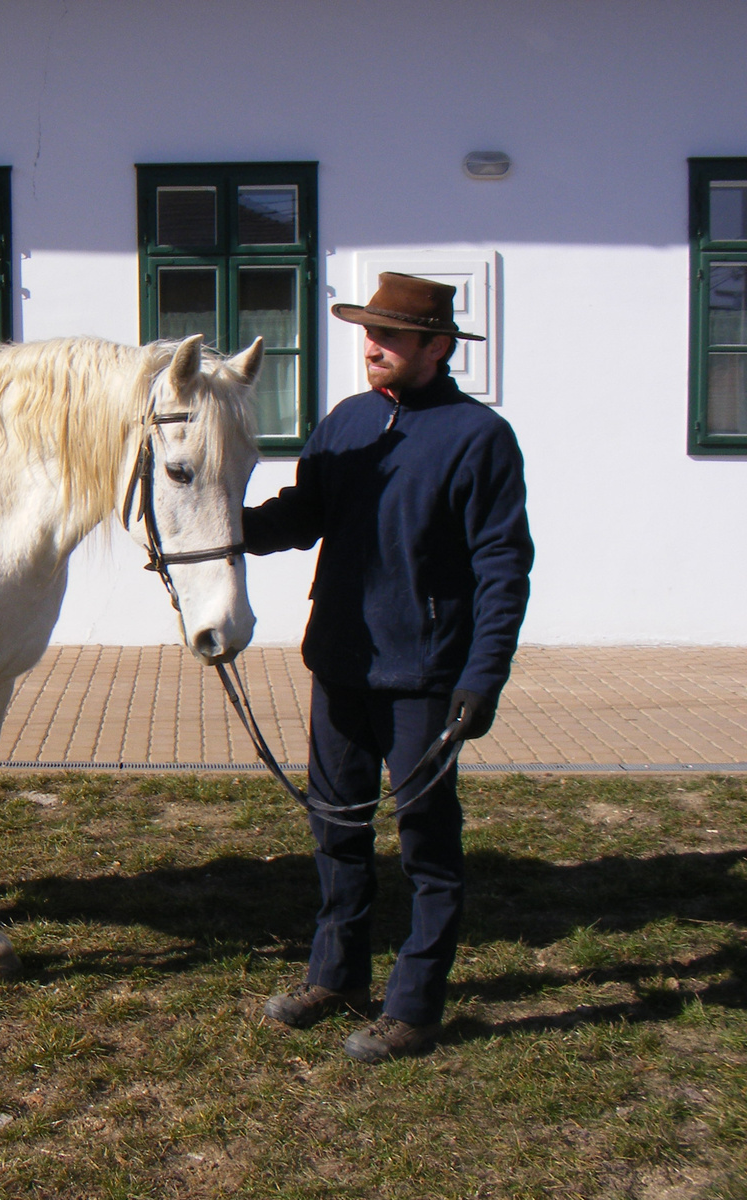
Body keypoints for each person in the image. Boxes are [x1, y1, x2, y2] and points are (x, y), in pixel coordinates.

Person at [244, 272, 533, 1063]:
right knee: (335, 830)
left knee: (426, 847)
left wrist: (482, 678)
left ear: (438, 347)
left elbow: (504, 566)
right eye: (369, 334)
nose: (374, 347)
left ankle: (415, 1007)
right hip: (340, 663)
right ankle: (335, 976)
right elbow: (305, 515)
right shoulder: (346, 423)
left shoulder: (479, 438)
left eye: (393, 336)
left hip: (427, 678)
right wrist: (227, 529)